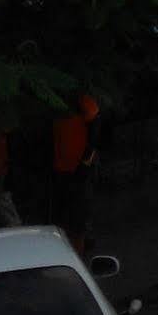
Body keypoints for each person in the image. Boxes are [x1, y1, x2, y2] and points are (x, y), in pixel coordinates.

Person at [49, 95, 101, 254]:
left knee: (79, 213)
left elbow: (94, 135)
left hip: (80, 168)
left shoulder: (82, 101)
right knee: (64, 213)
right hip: (61, 168)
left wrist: (85, 163)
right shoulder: (54, 102)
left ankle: (79, 250)